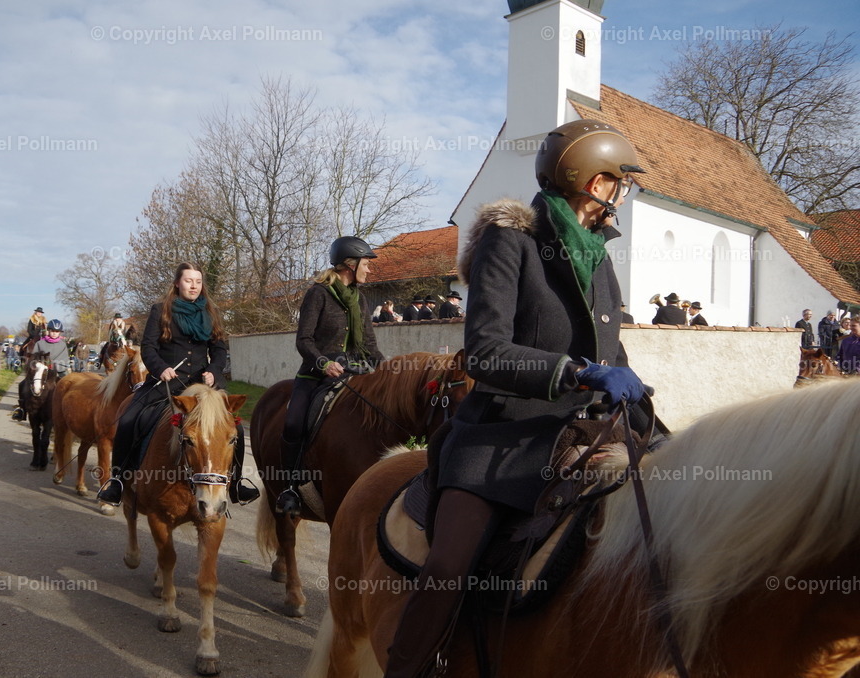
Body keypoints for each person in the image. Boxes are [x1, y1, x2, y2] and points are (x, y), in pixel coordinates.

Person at [384, 119, 658, 676]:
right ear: (587, 179)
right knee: (449, 568)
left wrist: (635, 393)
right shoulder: (509, 242)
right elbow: (485, 352)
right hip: (502, 440)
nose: (621, 194)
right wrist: (579, 374)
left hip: (583, 429)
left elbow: (609, 349)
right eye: (615, 182)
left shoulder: (599, 256)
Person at [97, 262, 258, 506]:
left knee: (235, 427)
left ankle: (235, 483)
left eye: (198, 281)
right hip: (167, 382)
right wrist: (161, 368)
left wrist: (214, 371)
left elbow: (219, 349)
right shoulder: (161, 310)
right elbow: (149, 347)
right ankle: (118, 481)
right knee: (129, 418)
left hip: (202, 384)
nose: (193, 286)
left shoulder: (211, 312)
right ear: (177, 283)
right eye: (188, 281)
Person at [274, 236, 386, 517]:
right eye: (366, 263)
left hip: (353, 373)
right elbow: (304, 339)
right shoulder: (318, 294)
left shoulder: (359, 299)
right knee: (293, 423)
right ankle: (290, 487)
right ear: (350, 264)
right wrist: (323, 362)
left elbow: (369, 346)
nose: (369, 269)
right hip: (316, 376)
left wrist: (387, 372)